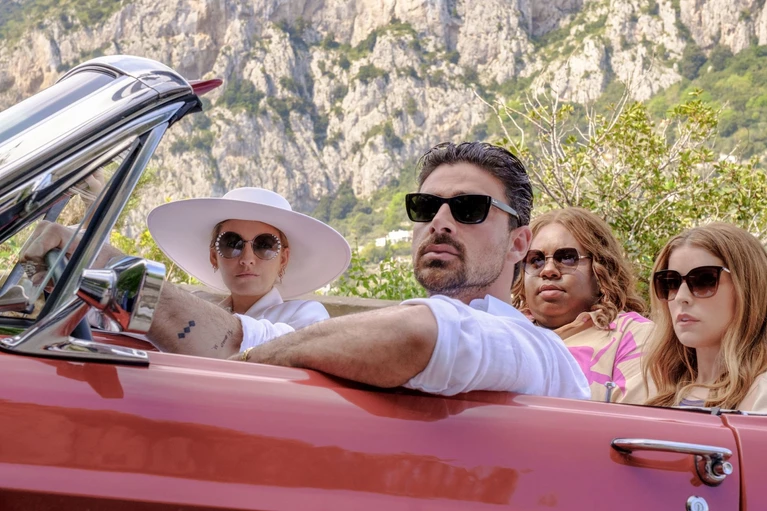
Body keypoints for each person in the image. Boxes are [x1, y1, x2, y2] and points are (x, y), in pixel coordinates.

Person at [21, 142, 589, 399]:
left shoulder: (537, 351)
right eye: (425, 207)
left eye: (468, 208)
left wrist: (240, 365)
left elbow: (420, 333)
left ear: (519, 243)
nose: (439, 222)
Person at [147, 187, 350, 332]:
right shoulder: (198, 304)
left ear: (283, 258)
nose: (247, 259)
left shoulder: (306, 316)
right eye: (231, 244)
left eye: (265, 245)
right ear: (214, 256)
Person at [511, 208, 653, 403]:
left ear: (601, 269)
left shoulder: (634, 334)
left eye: (567, 258)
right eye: (536, 260)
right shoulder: (504, 333)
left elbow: (633, 419)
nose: (548, 270)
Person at [643, 223, 767, 412]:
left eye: (704, 280)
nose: (681, 297)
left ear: (748, 287)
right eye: (671, 282)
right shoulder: (657, 389)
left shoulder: (761, 393)